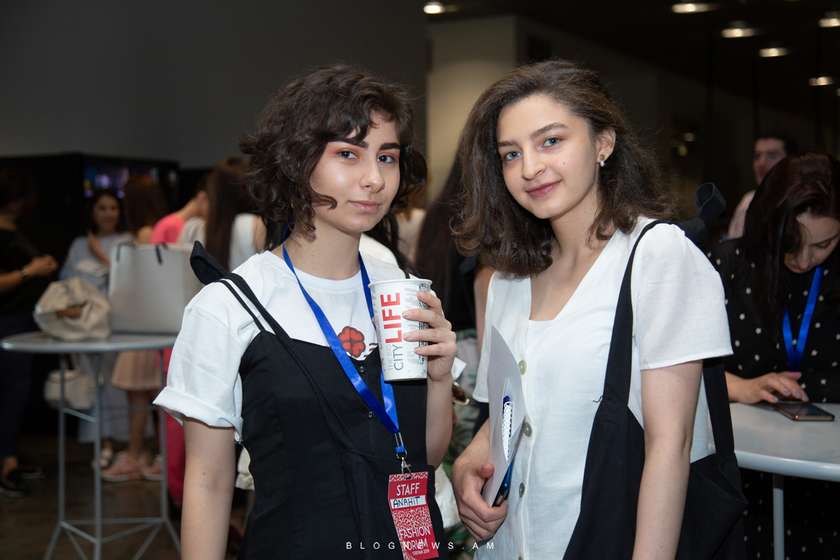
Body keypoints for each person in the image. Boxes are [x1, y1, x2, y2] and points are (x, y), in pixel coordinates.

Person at [154, 65, 457, 558]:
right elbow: (208, 482)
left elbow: (425, 456)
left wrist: (440, 378)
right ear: (296, 161)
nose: (374, 179)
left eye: (387, 157)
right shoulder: (229, 307)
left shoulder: (401, 291)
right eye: (347, 154)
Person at [450, 59, 732, 558]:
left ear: (603, 142)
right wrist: (469, 464)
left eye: (551, 141)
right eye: (511, 153)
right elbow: (506, 415)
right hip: (509, 543)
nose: (529, 167)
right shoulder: (507, 280)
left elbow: (670, 446)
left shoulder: (656, 257)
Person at [711, 152, 840, 558]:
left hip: (831, 481)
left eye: (824, 244)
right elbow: (676, 370)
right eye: (791, 245)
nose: (804, 261)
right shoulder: (727, 267)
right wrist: (741, 387)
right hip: (745, 481)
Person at [59, 190, 133, 467]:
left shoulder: (127, 241)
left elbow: (131, 282)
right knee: (93, 385)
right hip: (85, 327)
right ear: (93, 211)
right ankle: (103, 444)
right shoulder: (79, 244)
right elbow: (67, 283)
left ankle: (127, 445)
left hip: (118, 326)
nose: (108, 213)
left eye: (113, 207)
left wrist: (101, 257)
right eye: (102, 208)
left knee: (118, 385)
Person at [102, 177, 168, 482]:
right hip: (155, 322)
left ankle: (137, 454)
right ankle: (152, 454)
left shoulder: (144, 233)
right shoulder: (158, 229)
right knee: (152, 394)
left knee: (140, 395)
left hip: (143, 324)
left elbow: (142, 279)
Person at [0, 169, 57, 497]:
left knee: (18, 392)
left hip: (23, 321)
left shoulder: (15, 230)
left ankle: (10, 455)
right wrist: (29, 271)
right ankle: (6, 463)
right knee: (11, 392)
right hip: (7, 323)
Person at [727, 132, 799, 239]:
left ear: (791, 161)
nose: (762, 163)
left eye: (772, 155)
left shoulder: (802, 199)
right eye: (757, 156)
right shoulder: (748, 201)